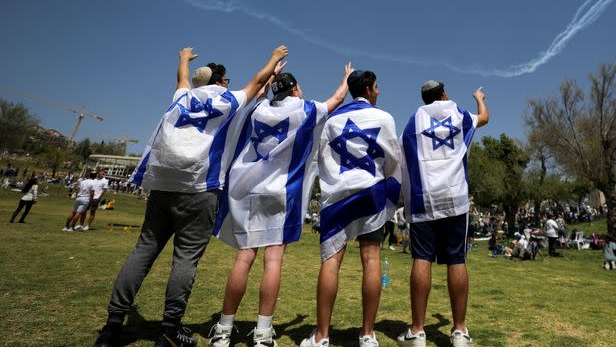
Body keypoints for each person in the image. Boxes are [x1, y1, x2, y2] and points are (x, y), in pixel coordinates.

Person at [92, 45, 288, 347]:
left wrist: (182, 59)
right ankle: (169, 330)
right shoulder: (228, 100)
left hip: (163, 185)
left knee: (143, 251)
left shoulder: (183, 97)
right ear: (221, 81)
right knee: (185, 260)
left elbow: (181, 78)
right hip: (199, 188)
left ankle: (112, 324)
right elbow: (257, 82)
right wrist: (274, 60)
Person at [208, 63, 353, 347]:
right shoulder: (305, 109)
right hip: (281, 192)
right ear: (296, 88)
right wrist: (346, 78)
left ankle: (224, 329)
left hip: (247, 188)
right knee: (273, 260)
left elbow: (259, 92)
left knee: (243, 258)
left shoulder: (259, 109)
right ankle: (263, 332)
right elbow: (337, 99)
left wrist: (269, 78)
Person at [300, 70, 402, 347]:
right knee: (371, 259)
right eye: (377, 87)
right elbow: (394, 159)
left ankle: (321, 336)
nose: (379, 91)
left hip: (339, 195)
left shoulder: (332, 120)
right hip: (371, 192)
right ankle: (367, 335)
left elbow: (321, 158)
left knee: (331, 261)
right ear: (368, 89)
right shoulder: (385, 118)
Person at [397, 80, 488, 347]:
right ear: (444, 94)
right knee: (457, 260)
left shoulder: (414, 120)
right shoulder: (459, 115)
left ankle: (417, 331)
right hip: (454, 197)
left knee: (421, 258)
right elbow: (484, 118)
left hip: (424, 198)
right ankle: (459, 331)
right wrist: (479, 98)